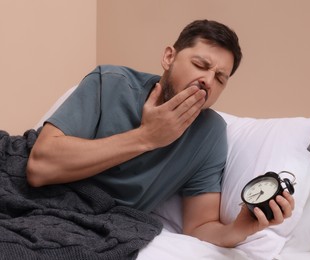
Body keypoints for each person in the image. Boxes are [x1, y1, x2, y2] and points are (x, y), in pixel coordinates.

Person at [26, 19, 294, 248]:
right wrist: (147, 137)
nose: (208, 81)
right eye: (201, 65)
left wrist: (239, 228)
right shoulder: (109, 82)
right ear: (169, 57)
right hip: (40, 194)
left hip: (103, 220)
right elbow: (39, 167)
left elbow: (199, 227)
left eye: (220, 78)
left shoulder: (209, 134)